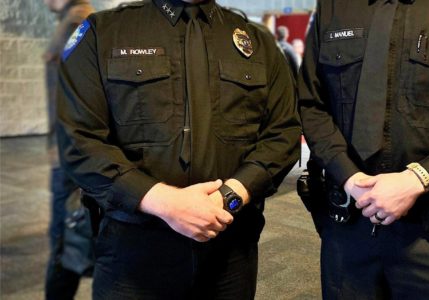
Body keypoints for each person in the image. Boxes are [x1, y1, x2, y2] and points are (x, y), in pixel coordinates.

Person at [55, 0, 301, 298]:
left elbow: (283, 134)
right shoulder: (103, 33)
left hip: (230, 252)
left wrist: (230, 198)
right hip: (134, 252)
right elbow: (78, 139)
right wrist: (165, 202)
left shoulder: (258, 42)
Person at [297, 0, 429, 299]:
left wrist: (418, 178)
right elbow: (311, 105)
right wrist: (350, 178)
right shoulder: (334, 6)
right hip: (348, 226)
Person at [43, 0, 94, 299]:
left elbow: (86, 97)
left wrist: (74, 158)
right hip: (65, 154)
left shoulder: (79, 23)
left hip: (69, 158)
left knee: (65, 243)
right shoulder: (70, 21)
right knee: (67, 242)